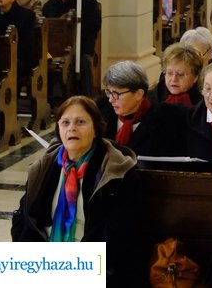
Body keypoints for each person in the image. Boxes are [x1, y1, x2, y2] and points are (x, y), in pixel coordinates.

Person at [12, 96, 144, 287]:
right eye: (65, 122)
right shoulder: (45, 166)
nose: (71, 128)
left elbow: (118, 233)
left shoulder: (118, 170)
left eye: (81, 122)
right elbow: (25, 219)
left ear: (96, 129)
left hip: (98, 266)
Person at [98, 60, 188, 156]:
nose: (111, 99)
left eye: (116, 93)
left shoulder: (165, 120)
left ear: (138, 94)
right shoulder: (99, 112)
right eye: (109, 92)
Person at [42, 0, 102, 97]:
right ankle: (55, 98)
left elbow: (93, 27)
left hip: (82, 43)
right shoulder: (49, 6)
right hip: (56, 47)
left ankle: (85, 96)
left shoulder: (87, 1)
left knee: (83, 60)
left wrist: (73, 37)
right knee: (47, 59)